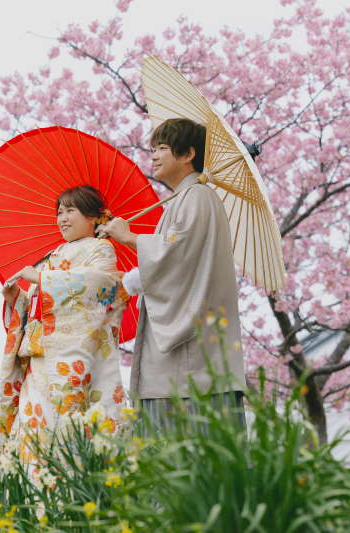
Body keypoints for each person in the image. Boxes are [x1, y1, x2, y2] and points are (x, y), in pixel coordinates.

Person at [100, 118, 245, 434]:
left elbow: (176, 255)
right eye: (153, 149)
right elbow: (179, 262)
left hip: (189, 357)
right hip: (189, 353)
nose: (153, 156)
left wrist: (129, 237)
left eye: (162, 148)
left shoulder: (197, 197)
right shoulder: (186, 198)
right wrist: (134, 278)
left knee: (184, 446)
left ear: (188, 153)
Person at [0, 185, 130, 460]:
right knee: (31, 435)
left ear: (93, 217)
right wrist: (17, 299)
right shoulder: (53, 256)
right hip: (38, 358)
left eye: (71, 211)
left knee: (63, 435)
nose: (63, 218)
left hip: (71, 361)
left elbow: (100, 286)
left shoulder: (101, 250)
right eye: (59, 212)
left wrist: (41, 280)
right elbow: (36, 304)